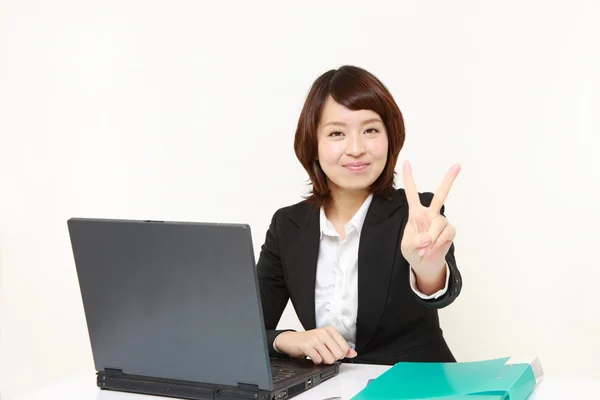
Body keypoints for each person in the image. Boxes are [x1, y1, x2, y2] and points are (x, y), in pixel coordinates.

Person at [256, 65, 462, 366]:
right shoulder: (287, 225)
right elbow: (247, 328)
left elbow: (441, 292)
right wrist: (289, 339)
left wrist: (428, 270)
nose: (355, 148)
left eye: (370, 130)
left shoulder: (418, 212)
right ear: (313, 143)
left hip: (414, 386)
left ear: (389, 137)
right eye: (337, 133)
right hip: (329, 388)